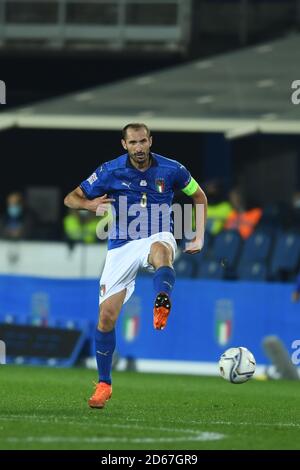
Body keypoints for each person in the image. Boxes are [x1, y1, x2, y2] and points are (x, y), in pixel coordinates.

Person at [64, 123, 207, 409]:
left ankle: (162, 298)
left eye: (143, 141)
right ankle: (104, 384)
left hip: (157, 233)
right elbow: (71, 198)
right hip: (121, 245)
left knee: (161, 252)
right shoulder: (109, 171)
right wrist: (92, 206)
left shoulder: (173, 169)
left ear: (151, 141)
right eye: (133, 142)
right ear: (124, 144)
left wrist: (198, 235)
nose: (139, 147)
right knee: (106, 316)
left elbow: (199, 196)